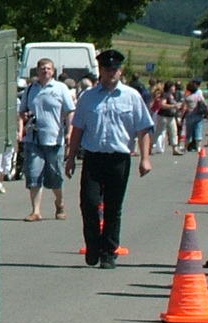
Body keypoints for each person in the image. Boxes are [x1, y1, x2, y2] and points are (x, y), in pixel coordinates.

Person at [64, 49, 155, 269]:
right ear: (101, 71)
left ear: (120, 71)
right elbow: (78, 129)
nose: (111, 72)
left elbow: (143, 129)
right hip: (93, 158)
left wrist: (145, 158)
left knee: (113, 207)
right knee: (89, 203)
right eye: (107, 69)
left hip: (119, 159)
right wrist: (70, 158)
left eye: (115, 69)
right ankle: (93, 244)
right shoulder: (88, 97)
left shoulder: (131, 96)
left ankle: (108, 252)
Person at [18, 58, 75, 221]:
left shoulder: (60, 88)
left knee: (55, 177)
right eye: (42, 68)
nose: (45, 71)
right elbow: (21, 112)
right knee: (33, 174)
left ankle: (59, 203)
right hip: (33, 139)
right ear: (37, 70)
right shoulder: (30, 89)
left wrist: (69, 132)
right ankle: (36, 211)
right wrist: (25, 120)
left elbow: (70, 111)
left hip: (54, 140)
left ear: (53, 71)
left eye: (48, 68)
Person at [181, 80, 208, 152]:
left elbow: (184, 108)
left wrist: (181, 117)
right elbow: (205, 104)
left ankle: (185, 148)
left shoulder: (187, 98)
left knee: (188, 132)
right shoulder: (199, 96)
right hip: (198, 115)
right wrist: (206, 113)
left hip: (189, 115)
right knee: (198, 130)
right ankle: (198, 147)